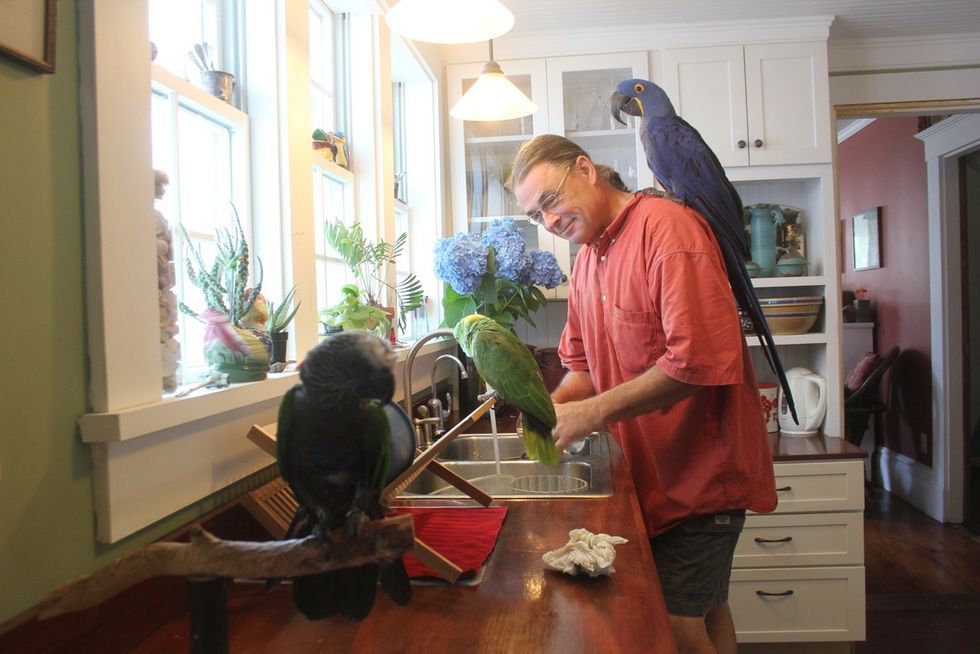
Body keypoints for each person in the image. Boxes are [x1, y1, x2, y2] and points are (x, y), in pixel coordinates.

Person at [508, 135, 776, 654]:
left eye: (550, 201)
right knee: (708, 608)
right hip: (656, 477)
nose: (550, 221)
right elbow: (583, 365)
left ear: (585, 170)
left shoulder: (667, 230)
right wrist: (554, 408)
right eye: (536, 216)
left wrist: (590, 413)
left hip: (702, 479)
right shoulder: (589, 259)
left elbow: (695, 362)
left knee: (677, 624)